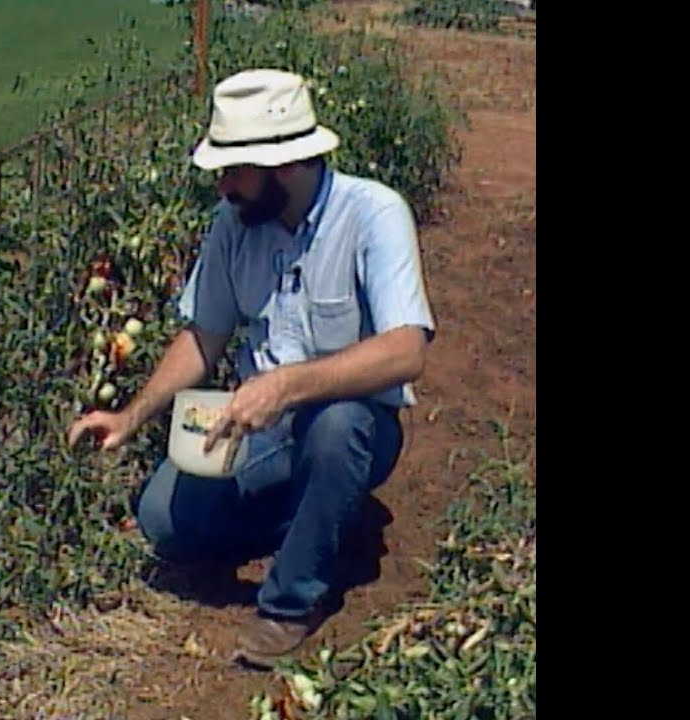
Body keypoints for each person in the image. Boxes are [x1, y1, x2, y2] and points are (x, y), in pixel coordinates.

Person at [67, 68, 437, 666]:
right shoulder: (235, 226)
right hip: (259, 427)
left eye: (233, 171)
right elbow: (203, 335)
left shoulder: (373, 214)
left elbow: (406, 350)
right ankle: (317, 522)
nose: (223, 186)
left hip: (355, 428)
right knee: (165, 523)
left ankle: (291, 602)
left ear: (283, 164)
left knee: (336, 426)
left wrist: (288, 384)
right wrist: (130, 417)